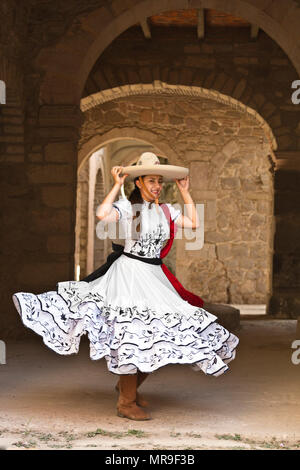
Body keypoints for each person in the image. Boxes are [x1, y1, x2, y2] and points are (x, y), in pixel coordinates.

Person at [12, 152, 239, 421]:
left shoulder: (167, 210)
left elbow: (194, 223)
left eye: (159, 181)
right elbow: (101, 214)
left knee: (161, 336)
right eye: (151, 180)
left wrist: (185, 192)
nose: (156, 185)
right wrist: (117, 185)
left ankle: (125, 387)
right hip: (129, 274)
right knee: (133, 333)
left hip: (155, 276)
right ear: (139, 182)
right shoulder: (128, 208)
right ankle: (126, 401)